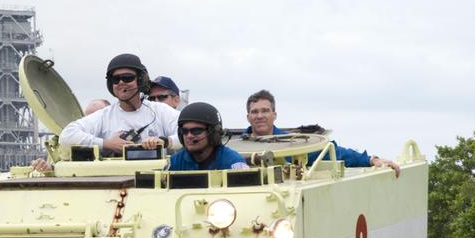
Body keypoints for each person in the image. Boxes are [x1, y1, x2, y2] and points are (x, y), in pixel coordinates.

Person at [244, 89, 400, 177]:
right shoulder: (234, 149)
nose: (260, 116)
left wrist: (371, 159)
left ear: (274, 114)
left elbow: (333, 152)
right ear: (248, 117)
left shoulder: (292, 144)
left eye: (265, 111)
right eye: (255, 112)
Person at [59, 53, 179, 154]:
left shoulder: (160, 111)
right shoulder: (104, 116)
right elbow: (66, 136)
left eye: (127, 78)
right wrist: (107, 144)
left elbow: (188, 133)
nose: (121, 82)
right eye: (116, 79)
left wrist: (165, 141)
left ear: (141, 80)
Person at [167, 102, 249, 171]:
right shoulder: (175, 162)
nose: (189, 136)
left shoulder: (232, 162)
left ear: (214, 133)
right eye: (184, 131)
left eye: (196, 131)